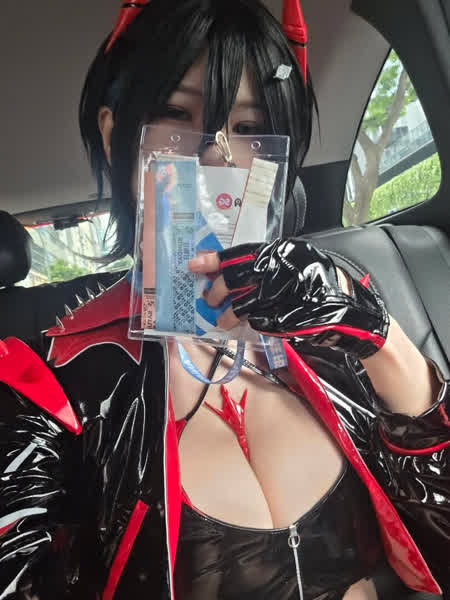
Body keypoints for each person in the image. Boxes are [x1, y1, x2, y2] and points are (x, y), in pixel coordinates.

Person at [0, 1, 449, 599]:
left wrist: (381, 339)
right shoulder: (49, 385)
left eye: (249, 126)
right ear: (116, 136)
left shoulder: (332, 309)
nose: (218, 154)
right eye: (176, 115)